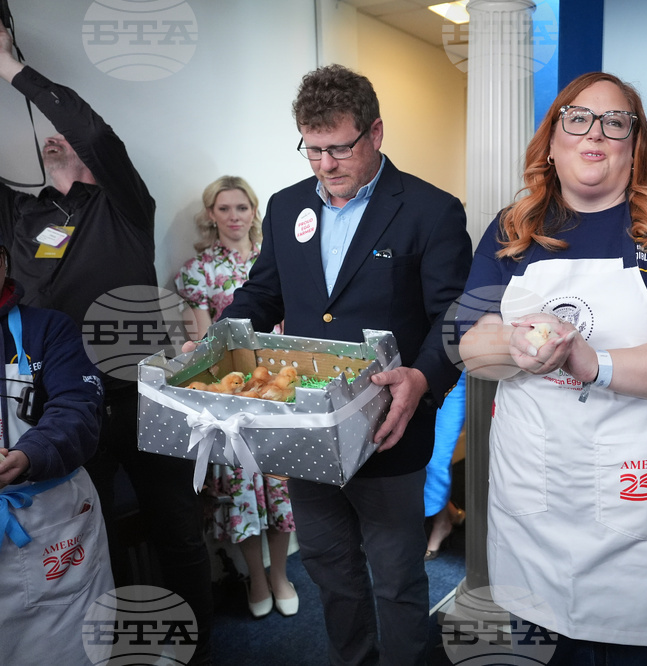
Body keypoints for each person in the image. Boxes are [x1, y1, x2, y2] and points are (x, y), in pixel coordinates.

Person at [457, 72, 647, 663]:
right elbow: (470, 345)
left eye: (616, 123)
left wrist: (589, 360)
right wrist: (516, 345)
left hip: (646, 509)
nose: (596, 134)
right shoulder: (512, 230)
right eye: (578, 118)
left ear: (634, 147)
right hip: (535, 505)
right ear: (552, 141)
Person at [218, 64, 472, 664]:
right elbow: (264, 295)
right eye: (313, 149)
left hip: (390, 427)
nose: (327, 164)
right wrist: (221, 340)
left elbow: (455, 318)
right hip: (306, 430)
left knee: (397, 580)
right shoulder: (284, 209)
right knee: (332, 573)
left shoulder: (431, 211)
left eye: (340, 148)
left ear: (376, 133)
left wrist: (425, 377)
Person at [0, 27, 213, 663]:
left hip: (150, 400)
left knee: (179, 533)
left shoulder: (123, 207)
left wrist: (12, 69)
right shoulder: (20, 223)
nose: (64, 143)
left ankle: (196, 651)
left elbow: (95, 134)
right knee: (96, 542)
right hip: (68, 413)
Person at [174, 176, 297, 618]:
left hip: (279, 390)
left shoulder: (277, 258)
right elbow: (204, 344)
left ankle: (281, 574)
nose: (233, 217)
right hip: (232, 399)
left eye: (241, 207)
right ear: (211, 215)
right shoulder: (199, 271)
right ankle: (256, 578)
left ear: (253, 212)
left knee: (280, 489)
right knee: (242, 492)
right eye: (223, 208)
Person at [0, 241, 113, 665]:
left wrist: (27, 456)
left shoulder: (49, 329)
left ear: (5, 264)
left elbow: (79, 410)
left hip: (53, 523)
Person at [423, 371, 466, 561]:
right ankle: (448, 511)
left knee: (436, 457)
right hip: (413, 368)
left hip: (457, 372)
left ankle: (441, 524)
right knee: (416, 453)